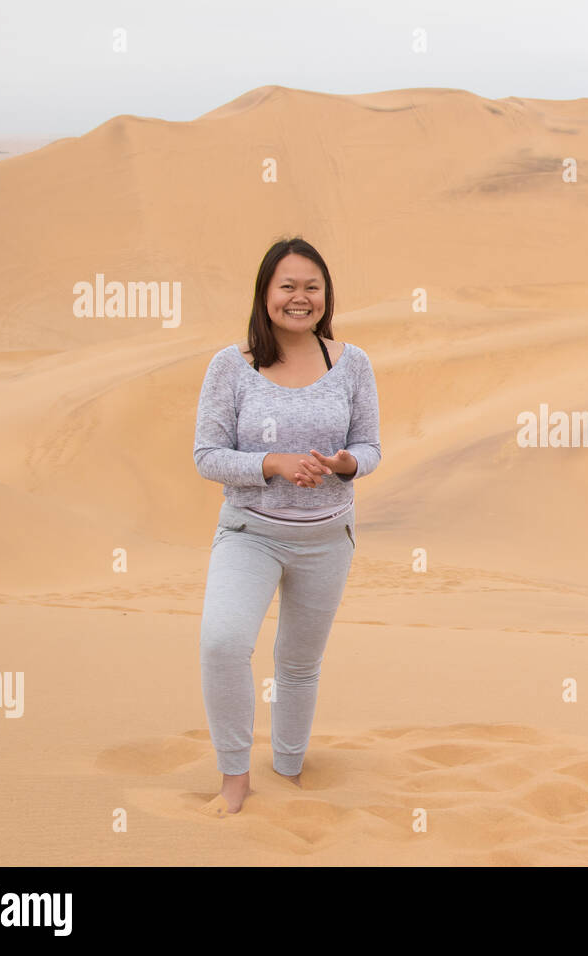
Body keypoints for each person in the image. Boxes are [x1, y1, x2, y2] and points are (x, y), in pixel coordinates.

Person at [192, 236, 381, 816]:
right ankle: (234, 779)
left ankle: (291, 770)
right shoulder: (232, 366)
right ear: (265, 294)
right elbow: (207, 455)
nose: (300, 299)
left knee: (298, 664)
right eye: (288, 287)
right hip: (251, 532)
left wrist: (344, 465)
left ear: (326, 296)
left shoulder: (351, 363)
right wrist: (272, 464)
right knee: (223, 644)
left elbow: (370, 446)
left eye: (312, 287)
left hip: (328, 539)